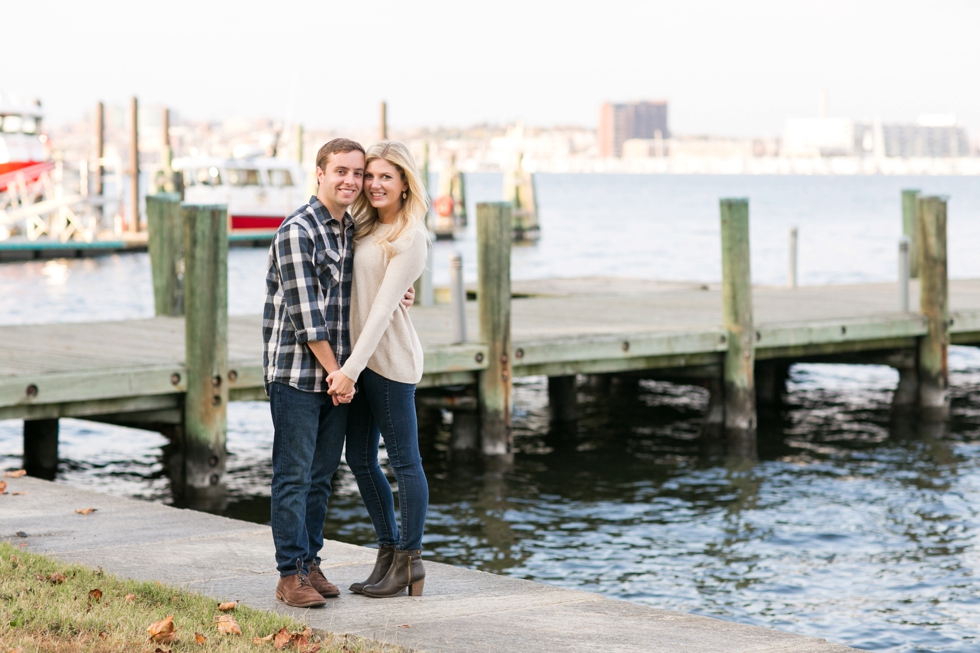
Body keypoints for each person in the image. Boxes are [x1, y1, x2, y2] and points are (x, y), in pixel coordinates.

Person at [263, 138, 414, 608]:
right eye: (342, 172)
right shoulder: (299, 231)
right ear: (320, 175)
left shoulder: (349, 227)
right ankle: (289, 574)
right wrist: (339, 373)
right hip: (298, 374)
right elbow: (308, 317)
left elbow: (369, 282)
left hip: (335, 376)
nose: (352, 181)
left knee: (321, 476)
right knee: (292, 476)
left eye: (358, 172)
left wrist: (405, 292)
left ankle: (310, 561)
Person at [327, 140, 430, 598]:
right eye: (370, 176)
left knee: (405, 463)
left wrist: (347, 370)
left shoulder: (411, 236)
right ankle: (388, 553)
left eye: (385, 176)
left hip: (388, 362)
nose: (373, 184)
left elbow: (384, 308)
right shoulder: (363, 226)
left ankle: (411, 560)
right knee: (360, 459)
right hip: (360, 360)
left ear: (405, 183)